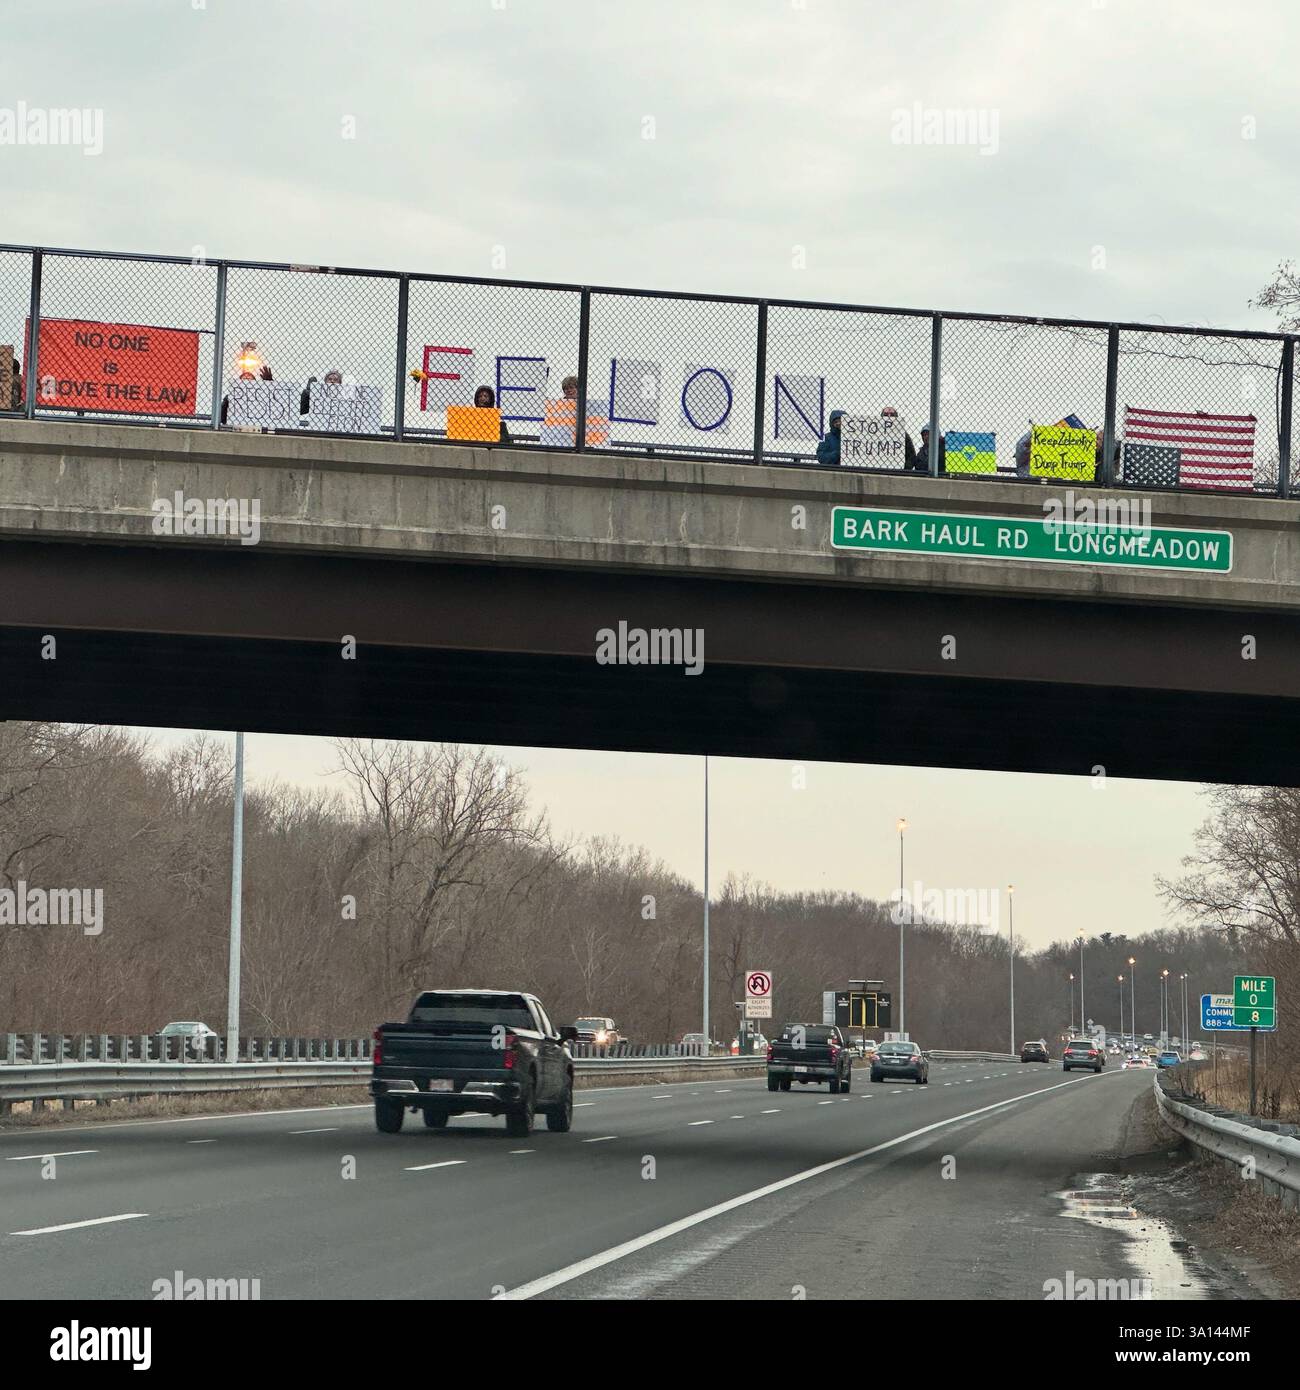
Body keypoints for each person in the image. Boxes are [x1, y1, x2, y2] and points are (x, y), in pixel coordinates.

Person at [881, 405, 920, 470]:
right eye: (886, 414)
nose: (889, 417)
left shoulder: (903, 435)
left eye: (892, 415)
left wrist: (904, 469)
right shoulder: (874, 433)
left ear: (896, 418)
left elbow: (912, 456)